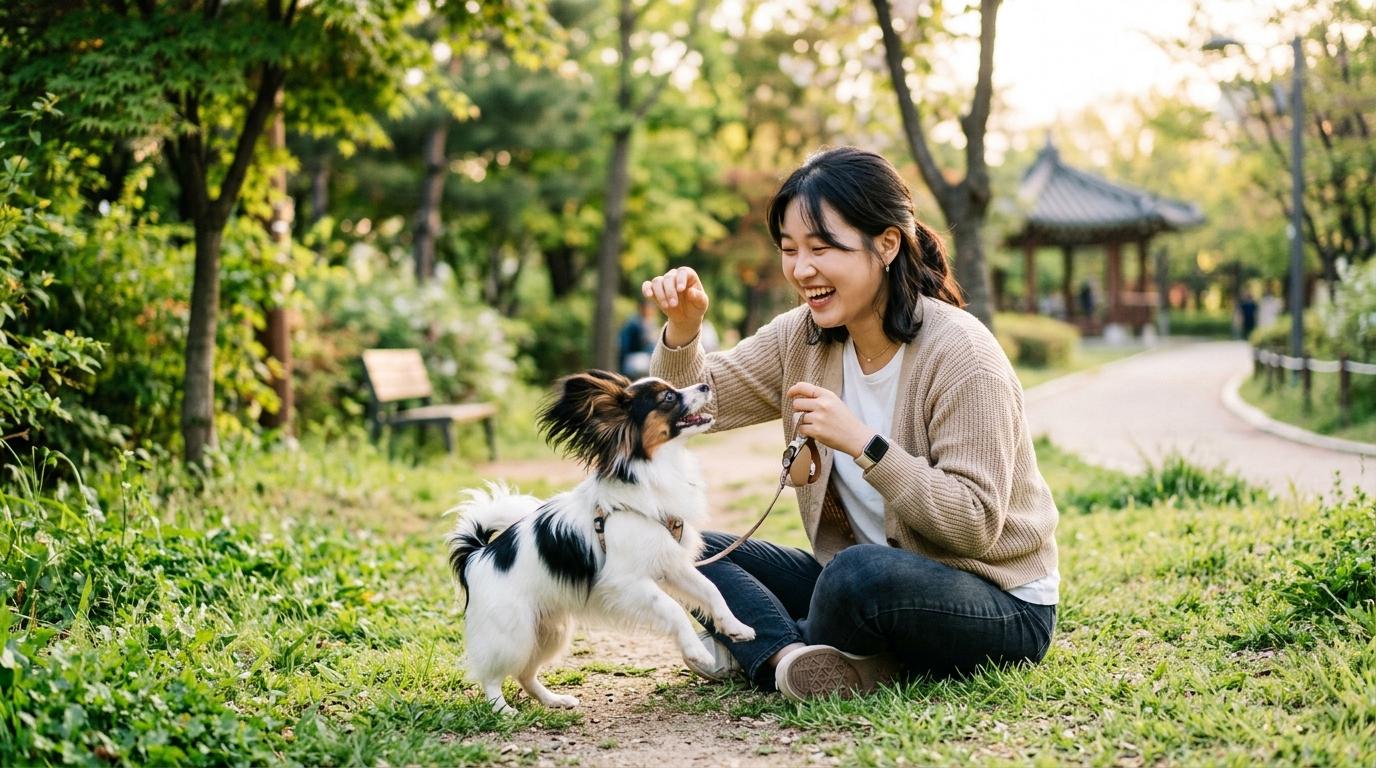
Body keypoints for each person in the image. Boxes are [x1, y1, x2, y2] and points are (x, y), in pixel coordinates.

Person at [642, 147, 1058, 701]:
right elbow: (696, 405)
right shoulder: (804, 337)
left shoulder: (961, 352)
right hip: (863, 583)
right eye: (789, 250)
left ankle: (763, 649)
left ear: (886, 244)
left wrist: (864, 444)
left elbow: (974, 523)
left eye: (821, 247)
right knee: (679, 543)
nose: (801, 269)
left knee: (856, 574)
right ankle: (793, 658)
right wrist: (684, 331)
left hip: (997, 601)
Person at [617, 298, 657, 377]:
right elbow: (624, 347)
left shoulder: (648, 323)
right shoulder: (633, 323)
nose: (651, 311)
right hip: (632, 360)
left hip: (641, 359)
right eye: (649, 308)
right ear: (642, 308)